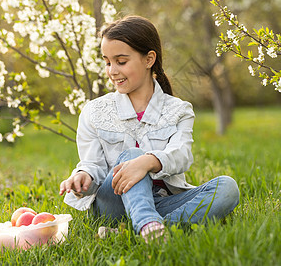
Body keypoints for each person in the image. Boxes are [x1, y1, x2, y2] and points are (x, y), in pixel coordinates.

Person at [59, 15, 239, 242]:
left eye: (121, 61)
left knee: (227, 188)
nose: (112, 71)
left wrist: (149, 162)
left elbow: (182, 155)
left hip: (162, 201)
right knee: (133, 156)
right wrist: (82, 176)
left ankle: (134, 233)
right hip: (113, 205)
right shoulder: (95, 111)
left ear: (149, 59)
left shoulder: (178, 110)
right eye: (107, 62)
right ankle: (148, 225)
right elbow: (92, 165)